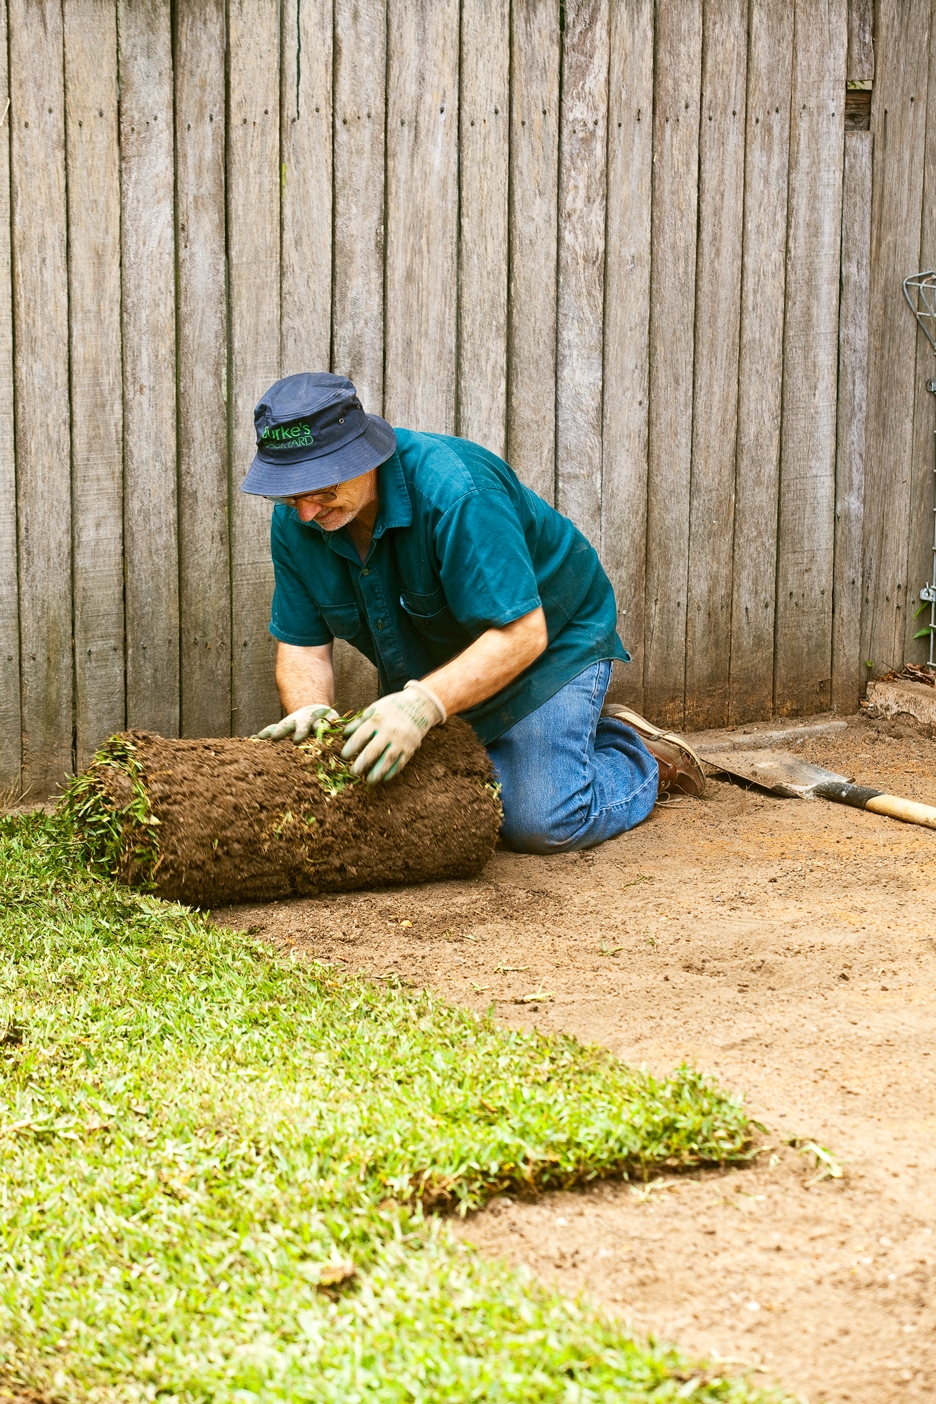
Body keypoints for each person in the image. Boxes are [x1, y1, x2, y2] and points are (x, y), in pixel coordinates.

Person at [242, 371, 704, 855]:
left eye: (321, 490)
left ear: (364, 456)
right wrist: (312, 712)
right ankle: (534, 747)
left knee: (540, 820)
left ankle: (639, 754)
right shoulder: (297, 521)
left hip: (551, 645)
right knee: (398, 795)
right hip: (443, 669)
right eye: (290, 493)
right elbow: (303, 650)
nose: (306, 513)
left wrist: (422, 706)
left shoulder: (457, 491)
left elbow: (523, 634)